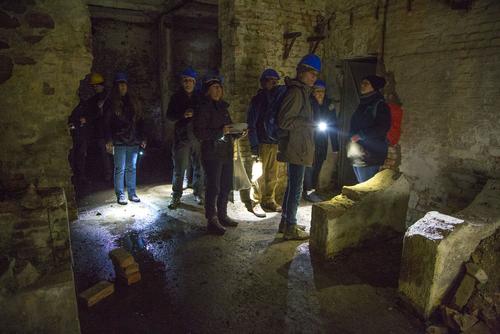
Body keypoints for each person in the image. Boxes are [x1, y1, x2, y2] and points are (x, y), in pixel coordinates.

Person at [277, 54, 321, 240]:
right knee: (296, 188)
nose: (314, 77)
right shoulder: (296, 92)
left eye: (316, 74)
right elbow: (284, 121)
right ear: (302, 72)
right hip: (296, 146)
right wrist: (307, 123)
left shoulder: (303, 92)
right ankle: (291, 228)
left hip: (298, 145)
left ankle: (286, 223)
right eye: (311, 73)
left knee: (293, 186)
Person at [193, 76, 238, 235]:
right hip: (212, 153)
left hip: (226, 152)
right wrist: (221, 132)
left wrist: (237, 133)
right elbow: (200, 132)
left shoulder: (223, 108)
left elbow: (228, 128)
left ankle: (222, 214)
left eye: (220, 87)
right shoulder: (203, 108)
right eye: (214, 87)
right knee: (214, 187)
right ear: (207, 91)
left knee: (226, 186)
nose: (218, 90)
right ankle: (212, 219)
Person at [244, 68, 284, 215]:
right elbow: (251, 124)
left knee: (273, 174)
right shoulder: (258, 100)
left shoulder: (276, 100)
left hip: (274, 142)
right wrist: (254, 146)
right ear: (263, 82)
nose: (273, 84)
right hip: (261, 143)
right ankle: (255, 202)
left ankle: (269, 200)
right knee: (258, 175)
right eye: (270, 81)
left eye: (275, 81)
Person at [105, 72, 147, 205]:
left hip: (133, 140)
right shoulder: (111, 103)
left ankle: (132, 192)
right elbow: (106, 123)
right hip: (119, 141)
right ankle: (120, 194)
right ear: (116, 86)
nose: (122, 87)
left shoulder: (133, 102)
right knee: (119, 168)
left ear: (127, 86)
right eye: (119, 84)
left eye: (124, 84)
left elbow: (140, 121)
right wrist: (109, 139)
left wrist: (143, 137)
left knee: (131, 167)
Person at [166, 68, 204, 209]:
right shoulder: (176, 97)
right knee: (179, 169)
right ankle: (176, 196)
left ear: (194, 82)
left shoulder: (200, 97)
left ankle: (198, 193)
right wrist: (183, 114)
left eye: (190, 81)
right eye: (185, 80)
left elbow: (204, 114)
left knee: (199, 167)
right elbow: (169, 116)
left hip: (197, 137)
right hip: (181, 138)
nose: (187, 83)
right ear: (182, 82)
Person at [69, 72, 112, 184]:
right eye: (94, 86)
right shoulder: (94, 100)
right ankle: (103, 174)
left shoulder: (109, 98)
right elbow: (90, 112)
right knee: (98, 154)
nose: (95, 88)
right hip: (95, 132)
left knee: (106, 154)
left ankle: (108, 175)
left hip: (105, 131)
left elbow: (105, 115)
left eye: (96, 86)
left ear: (102, 85)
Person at [348, 75, 391, 183]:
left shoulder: (380, 105)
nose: (362, 86)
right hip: (359, 153)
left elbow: (382, 127)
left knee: (366, 187)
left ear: (374, 87)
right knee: (362, 186)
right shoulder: (363, 104)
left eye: (366, 84)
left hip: (371, 155)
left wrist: (361, 135)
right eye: (362, 83)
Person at [303, 79, 339, 202]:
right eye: (317, 91)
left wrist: (335, 146)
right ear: (313, 92)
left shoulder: (329, 105)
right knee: (309, 166)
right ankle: (308, 191)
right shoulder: (308, 103)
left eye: (322, 91)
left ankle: (313, 189)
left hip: (322, 141)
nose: (320, 94)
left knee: (318, 166)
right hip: (310, 140)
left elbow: (334, 124)